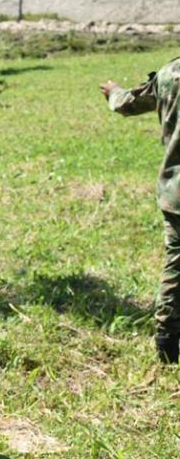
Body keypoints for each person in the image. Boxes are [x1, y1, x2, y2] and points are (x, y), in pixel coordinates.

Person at [100, 61, 180, 364]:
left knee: (177, 265)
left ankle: (167, 342)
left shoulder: (169, 74)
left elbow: (127, 104)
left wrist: (113, 92)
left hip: (176, 193)